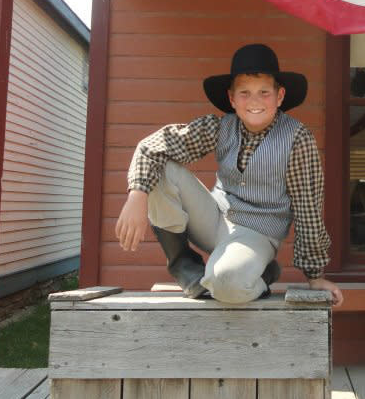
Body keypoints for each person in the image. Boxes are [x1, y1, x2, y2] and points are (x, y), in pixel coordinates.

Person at [115, 43, 344, 306]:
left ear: (280, 96)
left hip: (258, 231)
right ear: (232, 99)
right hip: (214, 220)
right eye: (244, 93)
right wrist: (138, 193)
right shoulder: (220, 127)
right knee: (161, 168)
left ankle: (261, 274)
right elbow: (153, 146)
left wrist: (315, 276)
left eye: (264, 92)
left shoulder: (296, 139)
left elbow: (308, 207)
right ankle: (186, 269)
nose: (255, 101)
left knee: (226, 284)